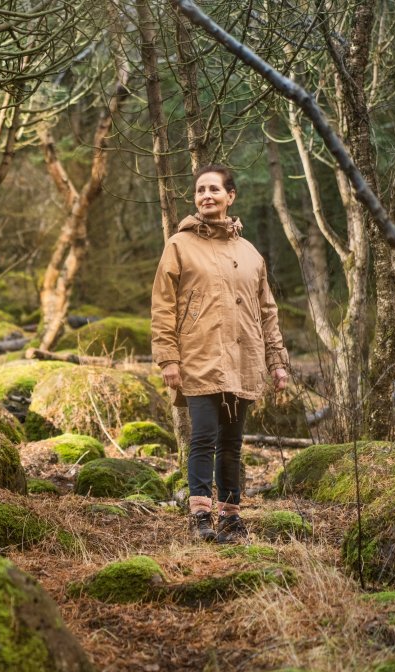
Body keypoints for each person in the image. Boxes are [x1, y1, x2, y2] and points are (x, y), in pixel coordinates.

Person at [151, 164, 290, 543]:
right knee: (204, 438)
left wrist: (277, 362)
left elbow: (267, 312)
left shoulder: (250, 253)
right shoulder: (179, 245)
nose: (206, 196)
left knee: (232, 443)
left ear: (231, 197)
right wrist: (168, 358)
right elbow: (163, 305)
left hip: (245, 361)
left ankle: (231, 515)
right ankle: (200, 515)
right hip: (199, 357)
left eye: (214, 189)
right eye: (200, 190)